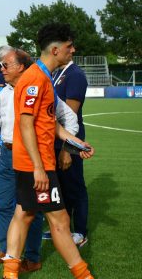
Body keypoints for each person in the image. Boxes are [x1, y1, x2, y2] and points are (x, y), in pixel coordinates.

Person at [2, 23, 95, 279]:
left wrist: (77, 145)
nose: (73, 50)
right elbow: (26, 123)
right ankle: (83, 275)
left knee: (24, 214)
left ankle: (9, 272)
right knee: (60, 222)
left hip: (36, 162)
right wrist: (39, 168)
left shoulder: (42, 77)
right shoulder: (34, 79)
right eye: (69, 46)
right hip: (37, 164)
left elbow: (49, 124)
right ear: (55, 50)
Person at [0, 48, 79, 273]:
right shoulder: (5, 92)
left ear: (21, 67)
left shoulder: (42, 88)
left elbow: (69, 120)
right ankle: (6, 255)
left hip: (33, 159)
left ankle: (31, 259)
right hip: (7, 155)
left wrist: (67, 151)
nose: (0, 70)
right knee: (4, 206)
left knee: (32, 210)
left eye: (5, 65)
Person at [43, 60, 90, 247]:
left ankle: (79, 232)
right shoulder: (57, 73)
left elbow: (70, 115)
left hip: (68, 142)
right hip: (54, 141)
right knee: (61, 187)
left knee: (75, 187)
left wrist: (67, 150)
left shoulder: (75, 75)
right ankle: (64, 228)